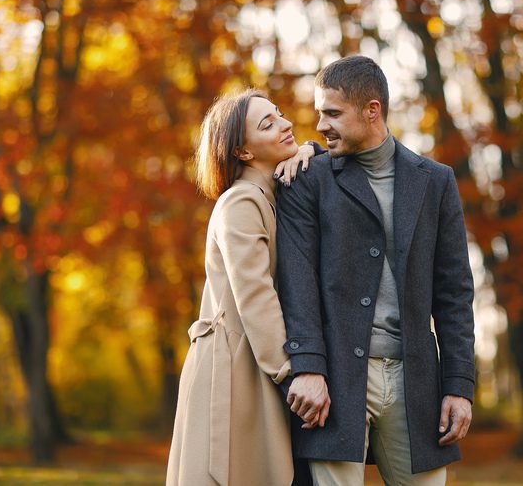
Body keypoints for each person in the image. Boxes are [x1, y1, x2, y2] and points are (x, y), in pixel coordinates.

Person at [277, 55, 476, 485]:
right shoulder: (308, 179)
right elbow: (297, 284)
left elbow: (454, 292)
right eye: (318, 114)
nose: (321, 125)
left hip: (416, 381)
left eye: (332, 113)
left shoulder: (436, 181)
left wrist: (459, 385)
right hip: (336, 379)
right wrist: (308, 366)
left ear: (372, 110)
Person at [166, 89, 319, 486]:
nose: (285, 124)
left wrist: (311, 153)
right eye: (267, 124)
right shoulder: (241, 202)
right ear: (243, 153)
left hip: (257, 360)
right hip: (234, 370)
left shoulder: (272, 194)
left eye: (280, 115)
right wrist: (294, 374)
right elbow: (255, 296)